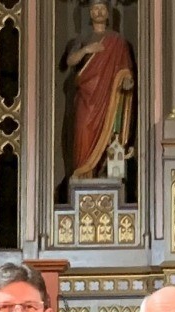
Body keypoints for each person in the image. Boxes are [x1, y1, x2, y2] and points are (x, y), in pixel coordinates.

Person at [64, 1, 135, 181]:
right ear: (90, 13)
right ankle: (83, 172)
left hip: (108, 98)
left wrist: (126, 80)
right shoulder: (84, 37)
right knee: (83, 132)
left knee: (110, 132)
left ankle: (104, 172)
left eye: (102, 8)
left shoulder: (117, 41)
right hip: (86, 97)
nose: (99, 12)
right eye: (95, 8)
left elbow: (125, 69)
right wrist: (86, 50)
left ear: (108, 13)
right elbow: (70, 61)